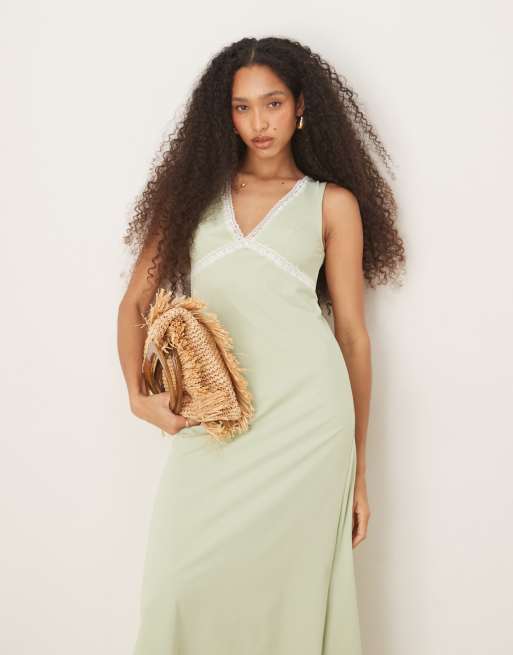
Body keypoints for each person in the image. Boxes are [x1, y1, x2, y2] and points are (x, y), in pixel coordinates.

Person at [117, 36, 405, 655]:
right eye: (242, 107)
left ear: (301, 106)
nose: (259, 123)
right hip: (215, 424)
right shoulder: (190, 200)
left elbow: (352, 336)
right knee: (176, 587)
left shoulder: (332, 203)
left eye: (272, 103)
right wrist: (138, 397)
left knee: (289, 594)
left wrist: (358, 471)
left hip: (309, 426)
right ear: (224, 115)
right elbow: (135, 303)